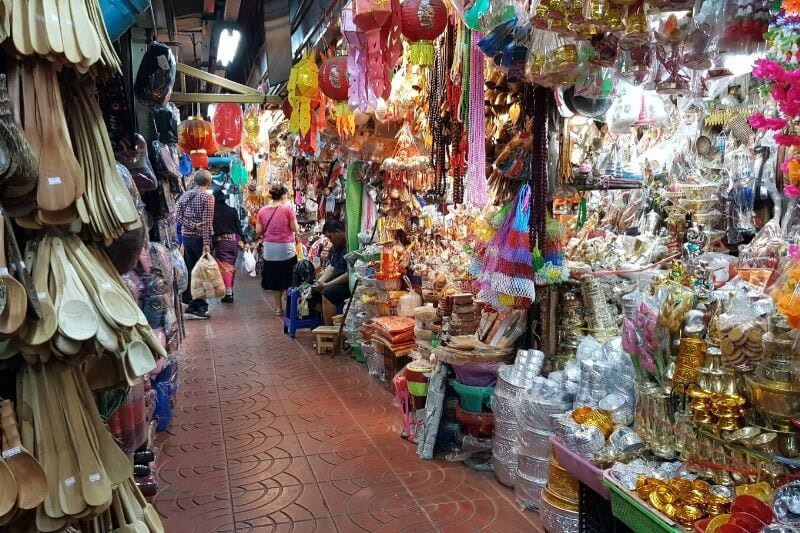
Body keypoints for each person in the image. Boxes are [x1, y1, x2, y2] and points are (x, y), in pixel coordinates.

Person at [176, 170, 215, 319]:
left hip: (187, 238)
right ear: (209, 182)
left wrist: (191, 225)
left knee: (191, 270)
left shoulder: (185, 195)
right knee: (202, 273)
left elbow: (177, 216)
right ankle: (200, 306)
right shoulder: (208, 197)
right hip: (200, 239)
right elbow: (206, 222)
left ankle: (191, 302)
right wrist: (206, 242)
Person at [256, 184, 300, 316]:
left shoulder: (262, 211)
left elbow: (258, 231)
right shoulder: (287, 209)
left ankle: (278, 308)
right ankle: (289, 306)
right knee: (288, 276)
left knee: (275, 279)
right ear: (283, 196)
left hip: (270, 249)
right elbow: (295, 228)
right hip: (286, 248)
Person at [313, 220, 350, 326]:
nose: (330, 241)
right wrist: (319, 282)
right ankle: (324, 325)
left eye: (330, 237)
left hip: (347, 283)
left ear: (338, 232)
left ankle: (329, 331)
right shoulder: (337, 247)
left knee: (328, 292)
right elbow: (332, 267)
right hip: (337, 280)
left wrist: (326, 285)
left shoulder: (350, 245)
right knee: (313, 293)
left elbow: (348, 274)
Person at [212, 188, 243, 304]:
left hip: (222, 243)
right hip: (233, 243)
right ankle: (229, 290)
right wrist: (243, 240)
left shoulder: (214, 213)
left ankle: (228, 293)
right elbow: (238, 227)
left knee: (225, 267)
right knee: (231, 266)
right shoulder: (232, 211)